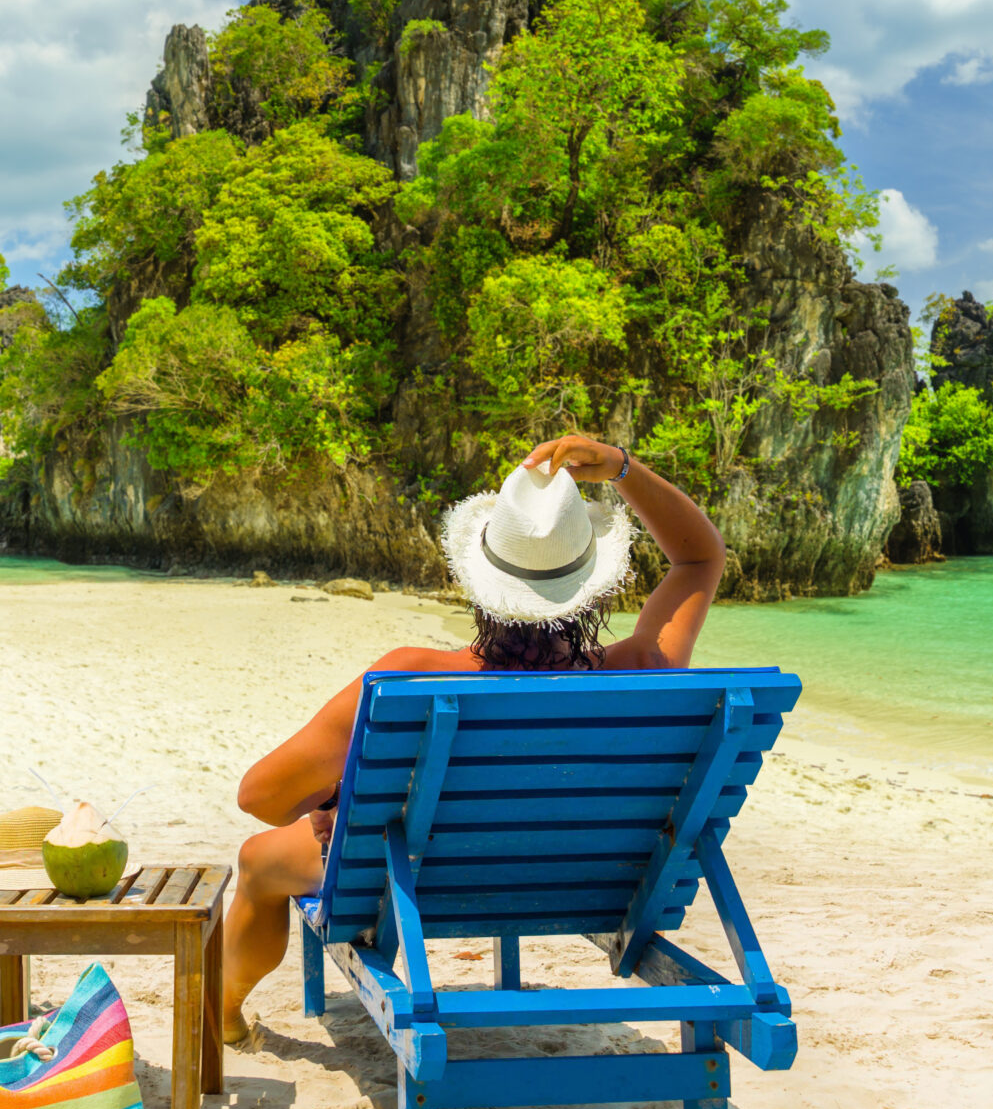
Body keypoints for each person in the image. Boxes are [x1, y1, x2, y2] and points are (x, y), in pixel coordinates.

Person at [215, 432, 727, 1042]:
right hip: (594, 883)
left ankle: (223, 1013)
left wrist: (338, 800)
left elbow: (260, 799)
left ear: (480, 582)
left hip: (417, 884)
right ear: (596, 585)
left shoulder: (410, 676)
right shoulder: (645, 667)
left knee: (257, 860)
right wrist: (620, 467)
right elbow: (699, 559)